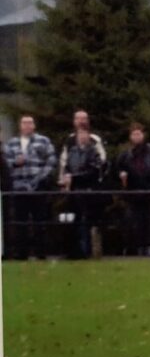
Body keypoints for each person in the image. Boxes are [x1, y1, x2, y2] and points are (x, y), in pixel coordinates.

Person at [3, 115, 57, 259]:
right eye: (24, 123)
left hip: (38, 186)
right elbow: (5, 162)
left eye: (30, 123)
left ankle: (41, 253)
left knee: (40, 220)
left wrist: (41, 176)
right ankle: (22, 254)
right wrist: (15, 163)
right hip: (19, 186)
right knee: (21, 221)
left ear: (34, 125)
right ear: (20, 126)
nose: (27, 126)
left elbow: (51, 160)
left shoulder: (43, 141)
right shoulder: (12, 143)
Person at [116, 123, 150, 256]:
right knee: (135, 221)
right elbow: (118, 169)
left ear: (143, 135)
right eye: (134, 134)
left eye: (139, 134)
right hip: (133, 192)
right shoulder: (126, 155)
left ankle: (149, 246)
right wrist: (122, 174)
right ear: (131, 137)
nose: (137, 137)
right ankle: (137, 246)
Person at [61, 126, 105, 258]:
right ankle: (74, 251)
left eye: (85, 134)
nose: (82, 136)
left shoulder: (93, 151)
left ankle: (85, 251)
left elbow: (93, 171)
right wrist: (66, 177)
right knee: (73, 221)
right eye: (80, 134)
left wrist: (74, 177)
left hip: (87, 191)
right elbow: (67, 167)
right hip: (73, 192)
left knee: (85, 222)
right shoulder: (72, 151)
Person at [57, 109, 106, 187]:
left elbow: (102, 160)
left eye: (84, 118)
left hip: (91, 182)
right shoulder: (69, 140)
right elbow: (63, 161)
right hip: (72, 183)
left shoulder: (95, 139)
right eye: (78, 118)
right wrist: (62, 178)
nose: (81, 121)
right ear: (74, 121)